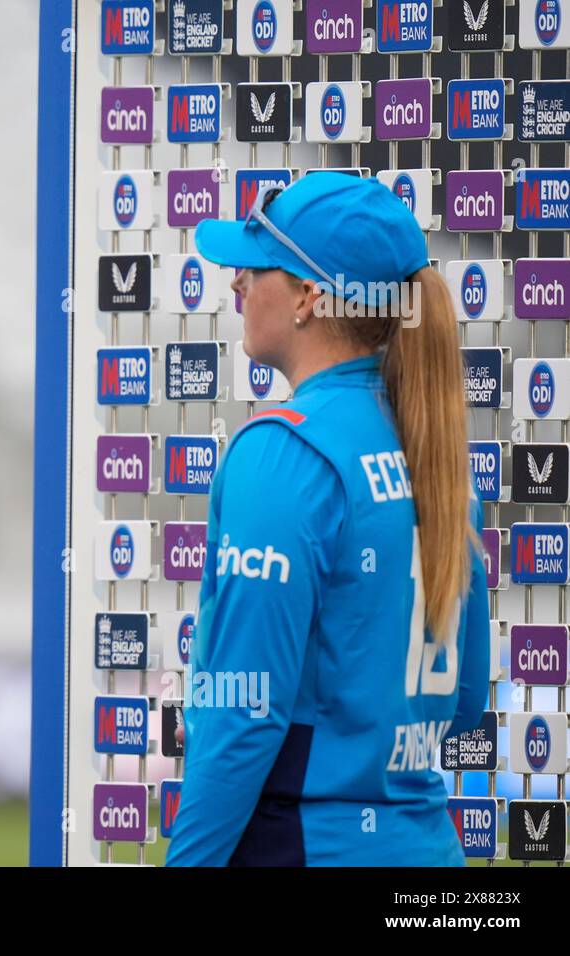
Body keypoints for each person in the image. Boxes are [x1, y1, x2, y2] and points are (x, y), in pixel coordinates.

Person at [165, 172, 490, 866]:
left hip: (306, 847)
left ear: (309, 296)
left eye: (254, 269)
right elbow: (462, 705)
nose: (236, 286)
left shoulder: (283, 451)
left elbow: (241, 716)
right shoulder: (434, 451)